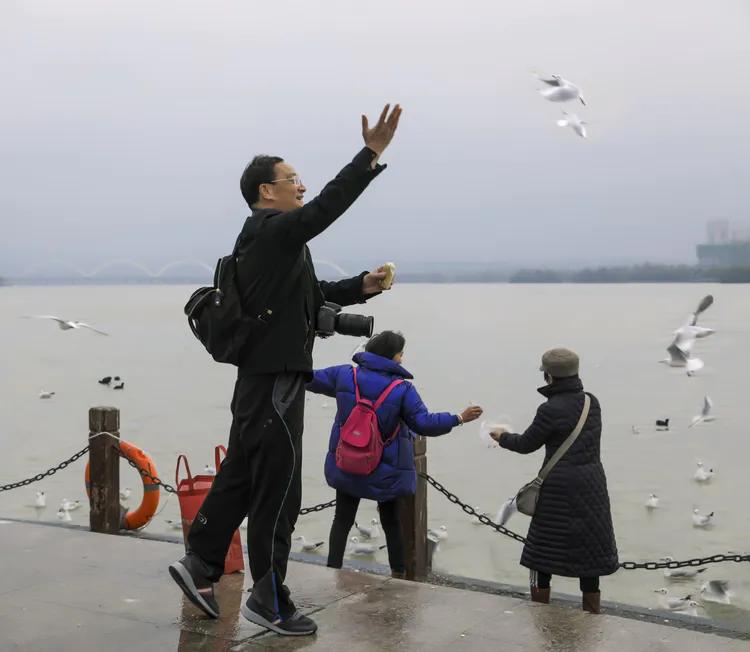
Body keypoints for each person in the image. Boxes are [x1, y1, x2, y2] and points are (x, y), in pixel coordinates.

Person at [169, 104, 403, 637]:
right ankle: (268, 598)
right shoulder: (274, 231)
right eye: (292, 180)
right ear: (265, 191)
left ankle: (200, 561)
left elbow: (308, 297)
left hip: (261, 379)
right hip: (275, 380)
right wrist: (370, 155)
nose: (301, 186)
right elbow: (324, 210)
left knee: (244, 474)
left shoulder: (266, 242)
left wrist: (359, 287)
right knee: (280, 488)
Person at [306, 330, 483, 577]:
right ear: (393, 357)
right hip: (384, 467)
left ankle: (332, 569)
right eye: (401, 353)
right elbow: (423, 423)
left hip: (346, 460)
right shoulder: (402, 389)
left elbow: (306, 378)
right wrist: (458, 418)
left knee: (342, 519)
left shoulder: (345, 375)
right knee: (390, 522)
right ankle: (398, 575)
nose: (402, 358)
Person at [490, 348, 618, 614]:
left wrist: (502, 437)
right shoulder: (592, 403)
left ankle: (540, 611)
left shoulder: (549, 409)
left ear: (548, 376)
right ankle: (591, 614)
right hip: (591, 484)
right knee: (590, 548)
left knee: (542, 552)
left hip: (558, 486)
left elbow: (526, 444)